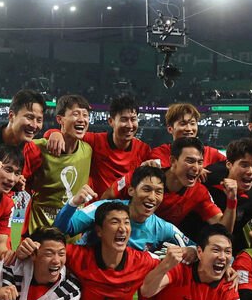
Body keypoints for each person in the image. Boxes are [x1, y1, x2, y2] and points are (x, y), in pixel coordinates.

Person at [103, 137, 235, 240]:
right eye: (190, 161)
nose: (196, 167)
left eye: (200, 162)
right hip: (120, 236)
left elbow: (222, 228)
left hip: (156, 247)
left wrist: (232, 200)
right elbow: (106, 197)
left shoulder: (199, 192)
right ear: (172, 160)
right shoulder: (142, 176)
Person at [55, 167, 193, 254]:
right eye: (146, 189)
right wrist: (73, 203)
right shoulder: (103, 209)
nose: (152, 197)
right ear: (131, 190)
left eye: (158, 192)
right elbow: (59, 229)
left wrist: (190, 252)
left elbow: (194, 248)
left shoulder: (162, 228)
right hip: (82, 275)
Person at [46, 96, 151, 195]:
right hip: (95, 209)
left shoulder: (143, 150)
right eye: (124, 119)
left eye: (133, 119)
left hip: (126, 210)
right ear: (111, 121)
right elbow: (69, 134)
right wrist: (54, 133)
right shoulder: (95, 141)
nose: (130, 125)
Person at [22, 94, 93, 234]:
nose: (82, 119)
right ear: (60, 119)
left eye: (85, 115)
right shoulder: (37, 148)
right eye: (76, 114)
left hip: (73, 240)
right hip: (40, 237)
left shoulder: (89, 150)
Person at [197, 138, 252, 253]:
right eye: (244, 165)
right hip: (192, 244)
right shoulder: (208, 176)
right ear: (229, 164)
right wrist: (195, 171)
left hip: (229, 251)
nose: (250, 171)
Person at [147, 103, 226, 168]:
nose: (189, 128)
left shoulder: (211, 154)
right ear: (170, 129)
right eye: (183, 124)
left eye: (192, 123)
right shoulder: (159, 154)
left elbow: (232, 168)